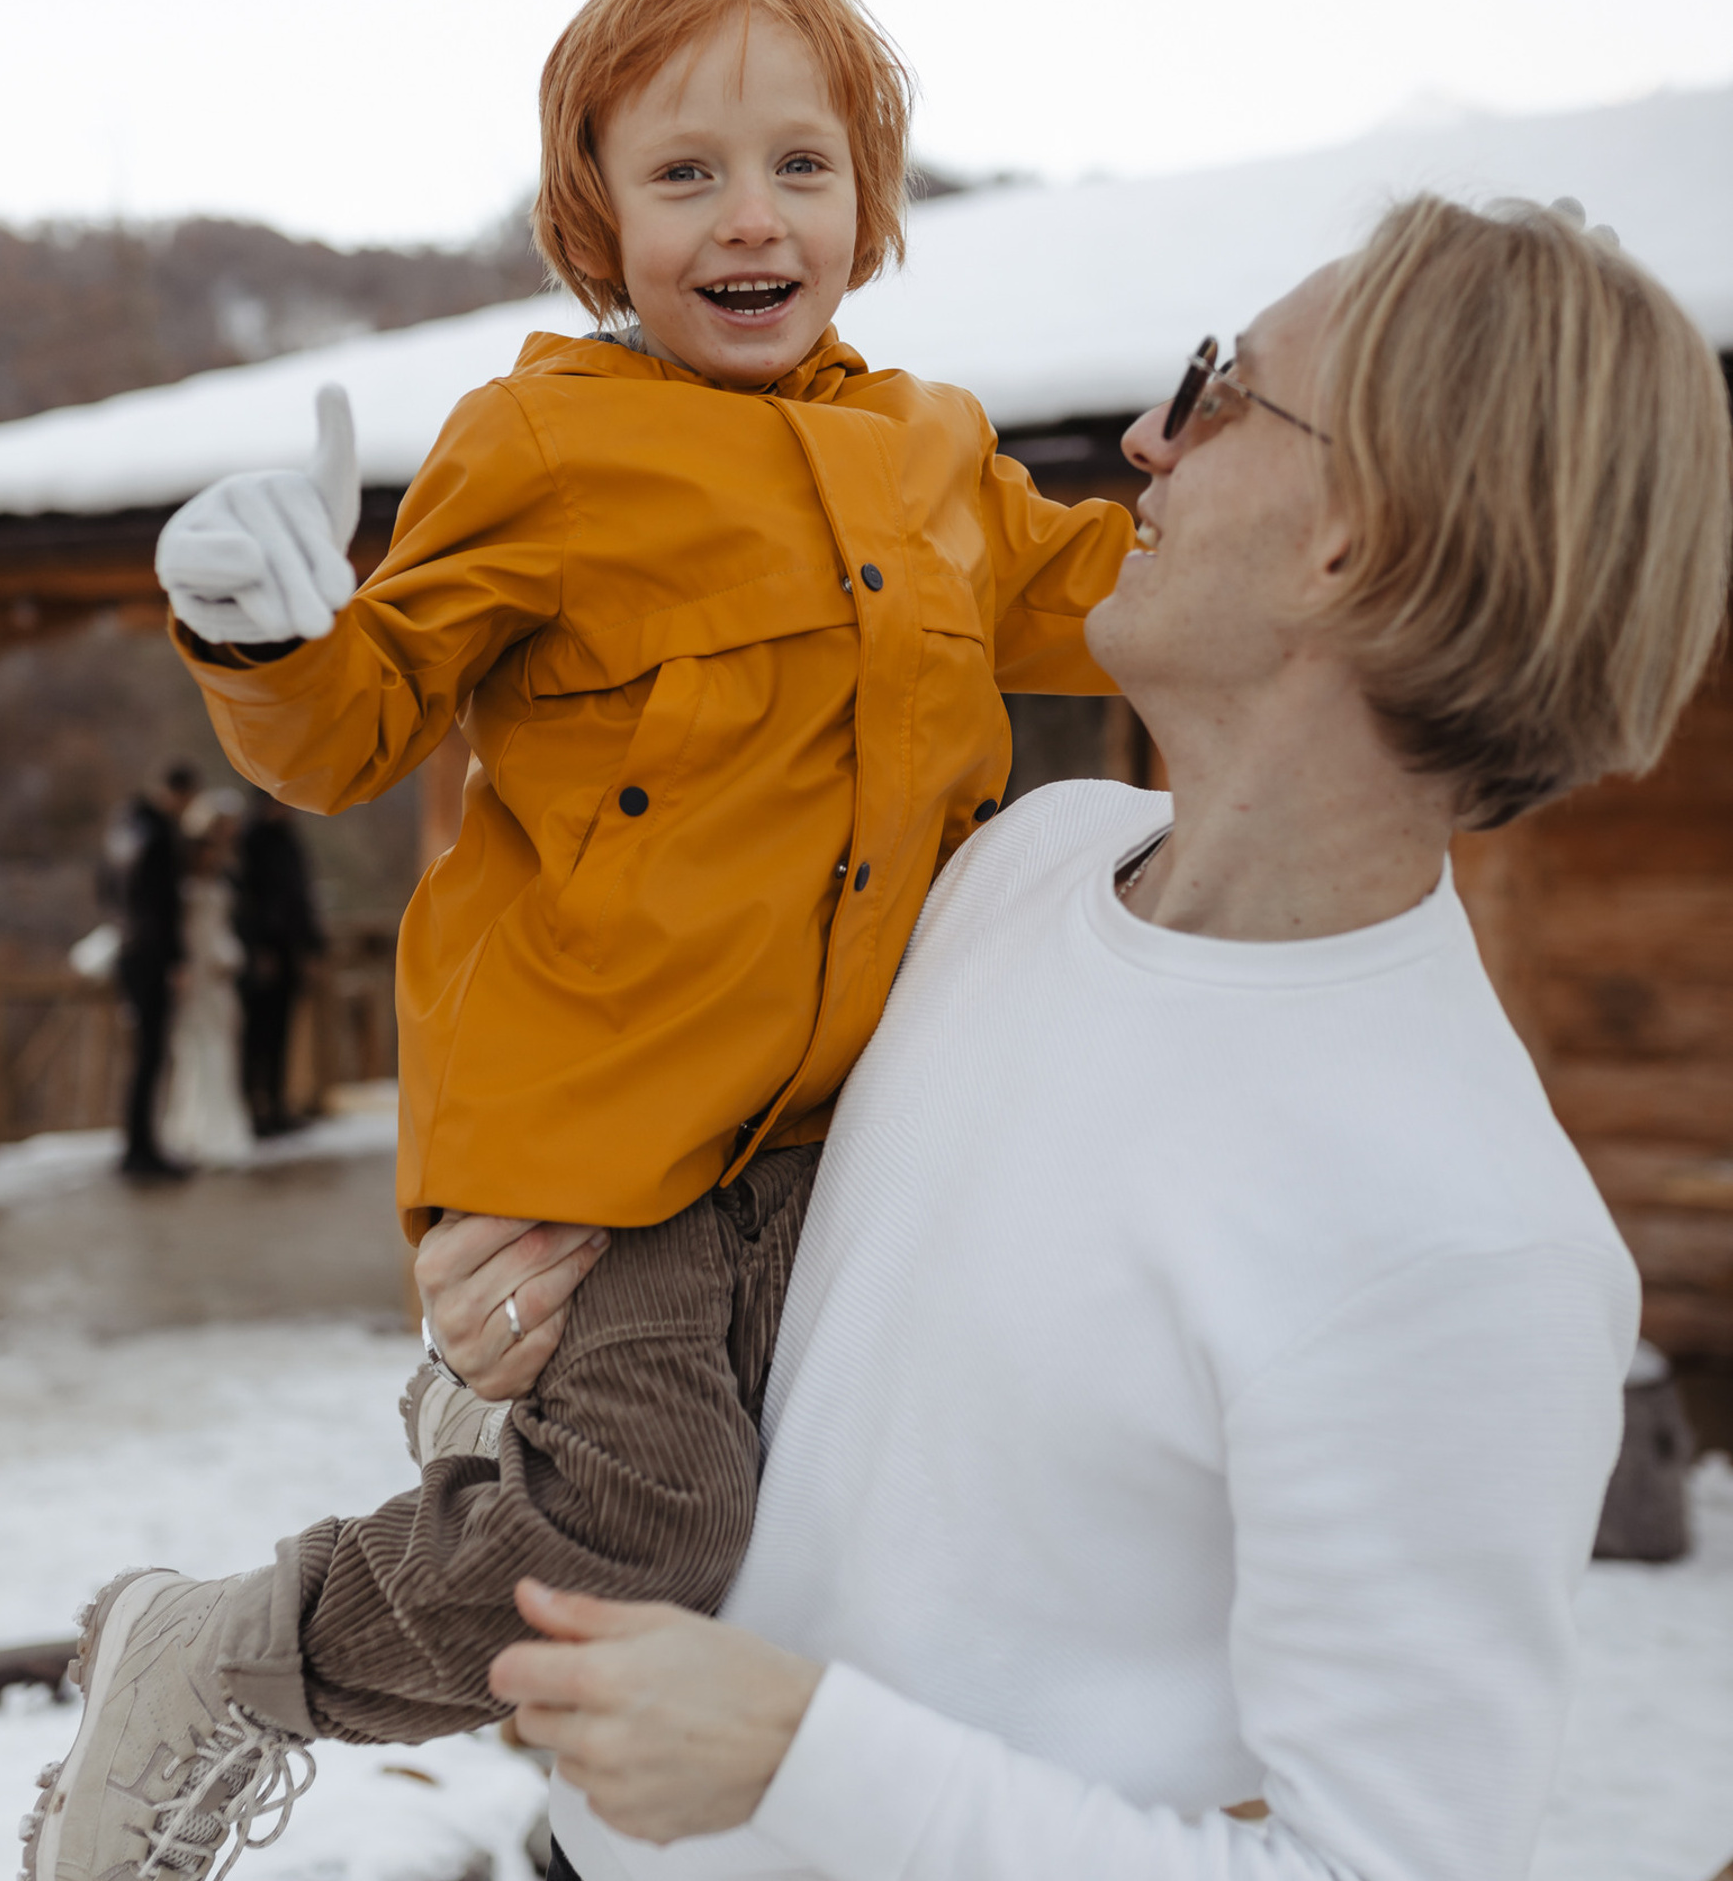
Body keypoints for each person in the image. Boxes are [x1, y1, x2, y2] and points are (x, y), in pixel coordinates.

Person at [459, 197, 1729, 1881]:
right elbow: (819, 1350)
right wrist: (539, 1301)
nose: (1150, 436)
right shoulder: (1020, 862)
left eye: (1223, 391)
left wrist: (803, 1759)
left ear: (1361, 532)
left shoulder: (1470, 1242)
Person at [22, 0, 1136, 1878]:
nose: (753, 217)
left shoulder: (945, 459)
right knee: (649, 1528)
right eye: (686, 171)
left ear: (874, 203)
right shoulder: (540, 445)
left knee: (826, 1525)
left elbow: (1122, 601)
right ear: (596, 212)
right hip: (592, 1148)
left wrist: (1263, 498)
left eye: (803, 163)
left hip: (831, 1136)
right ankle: (217, 1652)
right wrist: (264, 632)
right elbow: (357, 720)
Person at [106, 760, 198, 1179]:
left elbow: (107, 888)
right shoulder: (159, 835)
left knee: (144, 1055)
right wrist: (175, 960)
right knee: (149, 1054)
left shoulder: (124, 830)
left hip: (129, 947)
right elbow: (164, 908)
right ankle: (140, 1149)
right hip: (151, 955)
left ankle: (139, 1144)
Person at [160, 790, 255, 1166]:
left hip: (215, 979)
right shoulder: (187, 890)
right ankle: (196, 1127)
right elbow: (195, 936)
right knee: (196, 1050)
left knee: (218, 1047)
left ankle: (212, 1125)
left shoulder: (221, 881)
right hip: (198, 976)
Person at [233, 790, 326, 1137]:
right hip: (263, 952)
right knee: (257, 1034)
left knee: (281, 1033)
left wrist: (312, 948)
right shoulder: (250, 842)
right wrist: (257, 949)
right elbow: (246, 904)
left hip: (290, 950)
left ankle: (277, 1102)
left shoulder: (290, 840)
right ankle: (253, 1107)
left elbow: (302, 900)